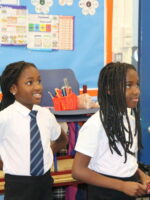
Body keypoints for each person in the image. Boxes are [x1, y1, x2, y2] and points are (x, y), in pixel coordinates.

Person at [72, 62, 150, 200]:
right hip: (105, 192)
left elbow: (122, 161)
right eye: (128, 85)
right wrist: (122, 186)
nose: (136, 90)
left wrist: (141, 175)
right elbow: (78, 171)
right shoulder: (95, 125)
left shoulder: (130, 119)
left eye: (137, 84)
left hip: (128, 187)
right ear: (109, 89)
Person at [0, 61, 68, 200]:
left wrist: (45, 155)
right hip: (18, 186)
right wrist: (7, 164)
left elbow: (62, 140)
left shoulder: (45, 115)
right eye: (30, 83)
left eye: (39, 81)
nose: (38, 87)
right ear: (13, 88)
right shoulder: (5, 118)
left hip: (45, 183)